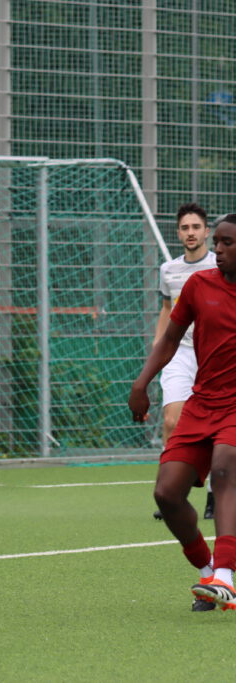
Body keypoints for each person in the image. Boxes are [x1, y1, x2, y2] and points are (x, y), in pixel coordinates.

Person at [129, 215, 236, 612]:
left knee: (224, 471)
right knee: (167, 493)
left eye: (227, 243)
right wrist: (141, 384)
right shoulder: (198, 285)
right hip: (202, 402)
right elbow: (170, 338)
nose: (218, 250)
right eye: (217, 241)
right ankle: (208, 573)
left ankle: (225, 575)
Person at [151, 203, 216, 521]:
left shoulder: (220, 265)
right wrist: (158, 346)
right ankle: (172, 494)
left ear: (206, 232)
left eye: (196, 227)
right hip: (180, 352)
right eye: (185, 228)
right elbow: (167, 310)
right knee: (171, 421)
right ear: (178, 233)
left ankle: (216, 494)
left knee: (217, 426)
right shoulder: (169, 270)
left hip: (215, 354)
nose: (190, 233)